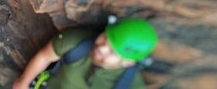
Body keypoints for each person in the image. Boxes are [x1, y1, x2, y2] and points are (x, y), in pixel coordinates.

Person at [13, 17, 157, 89]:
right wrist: (22, 84)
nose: (101, 48)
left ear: (128, 62)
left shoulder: (130, 84)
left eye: (113, 52)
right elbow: (44, 57)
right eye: (105, 37)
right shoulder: (77, 43)